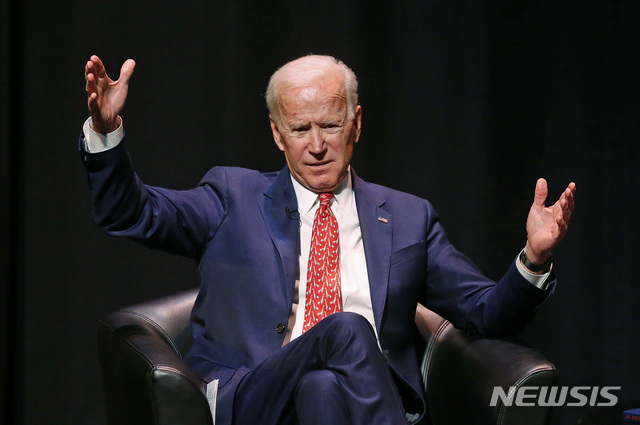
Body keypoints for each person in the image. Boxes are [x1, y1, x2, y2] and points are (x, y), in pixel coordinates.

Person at [82, 54, 576, 425]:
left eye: (330, 126)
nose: (316, 145)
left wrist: (533, 258)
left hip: (354, 403)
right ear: (278, 135)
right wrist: (106, 136)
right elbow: (134, 213)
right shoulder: (232, 195)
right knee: (345, 329)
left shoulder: (406, 217)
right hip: (252, 395)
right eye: (300, 129)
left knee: (321, 388)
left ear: (356, 124)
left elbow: (486, 312)